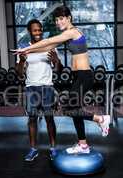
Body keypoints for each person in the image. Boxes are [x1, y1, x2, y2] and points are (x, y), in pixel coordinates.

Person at [14, 6, 110, 154]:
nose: (58, 22)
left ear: (68, 18)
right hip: (77, 76)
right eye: (56, 20)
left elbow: (50, 40)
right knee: (75, 109)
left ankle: (101, 119)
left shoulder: (72, 32)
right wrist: (26, 50)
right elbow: (47, 46)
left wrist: (26, 50)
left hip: (84, 75)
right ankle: (83, 145)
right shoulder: (67, 34)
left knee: (68, 108)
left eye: (60, 19)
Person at [16, 19, 63, 161]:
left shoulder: (50, 47)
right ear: (30, 31)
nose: (38, 32)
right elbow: (19, 74)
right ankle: (33, 150)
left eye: (40, 29)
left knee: (49, 118)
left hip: (47, 86)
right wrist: (23, 61)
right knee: (32, 119)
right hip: (31, 87)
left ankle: (53, 148)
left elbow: (59, 70)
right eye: (35, 30)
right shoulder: (24, 49)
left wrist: (56, 60)